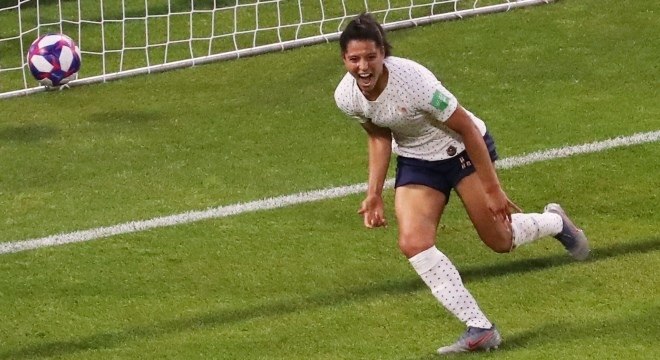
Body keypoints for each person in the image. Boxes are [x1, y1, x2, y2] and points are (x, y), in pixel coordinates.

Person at [333, 13, 589, 355]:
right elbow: (379, 136)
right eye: (354, 59)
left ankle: (556, 222)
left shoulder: (415, 81)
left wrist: (494, 189)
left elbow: (466, 127)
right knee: (413, 243)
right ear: (344, 59)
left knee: (499, 240)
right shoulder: (347, 96)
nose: (363, 67)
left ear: (383, 54)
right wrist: (374, 193)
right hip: (418, 160)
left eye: (370, 57)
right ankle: (480, 328)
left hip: (461, 150)